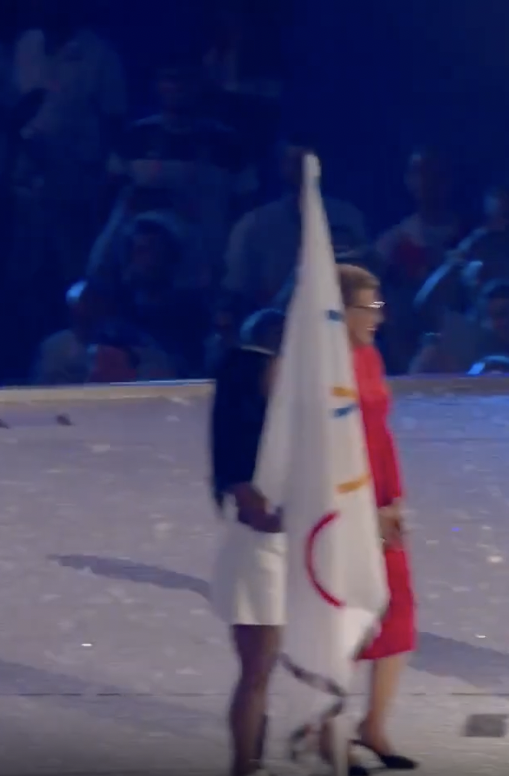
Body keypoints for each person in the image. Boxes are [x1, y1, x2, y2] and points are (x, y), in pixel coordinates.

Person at [292, 264, 418, 773]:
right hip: (340, 505)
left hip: (378, 498)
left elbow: (379, 435)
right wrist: (363, 509)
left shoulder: (368, 355)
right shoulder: (320, 367)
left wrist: (393, 500)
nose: (378, 318)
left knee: (399, 608)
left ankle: (375, 725)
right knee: (341, 620)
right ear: (339, 310)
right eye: (369, 308)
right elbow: (325, 450)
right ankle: (328, 734)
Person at [208, 319, 285, 776]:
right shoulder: (243, 463)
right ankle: (245, 765)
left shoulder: (254, 449)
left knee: (262, 670)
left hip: (265, 556)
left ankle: (251, 759)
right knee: (257, 670)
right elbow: (264, 516)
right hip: (259, 558)